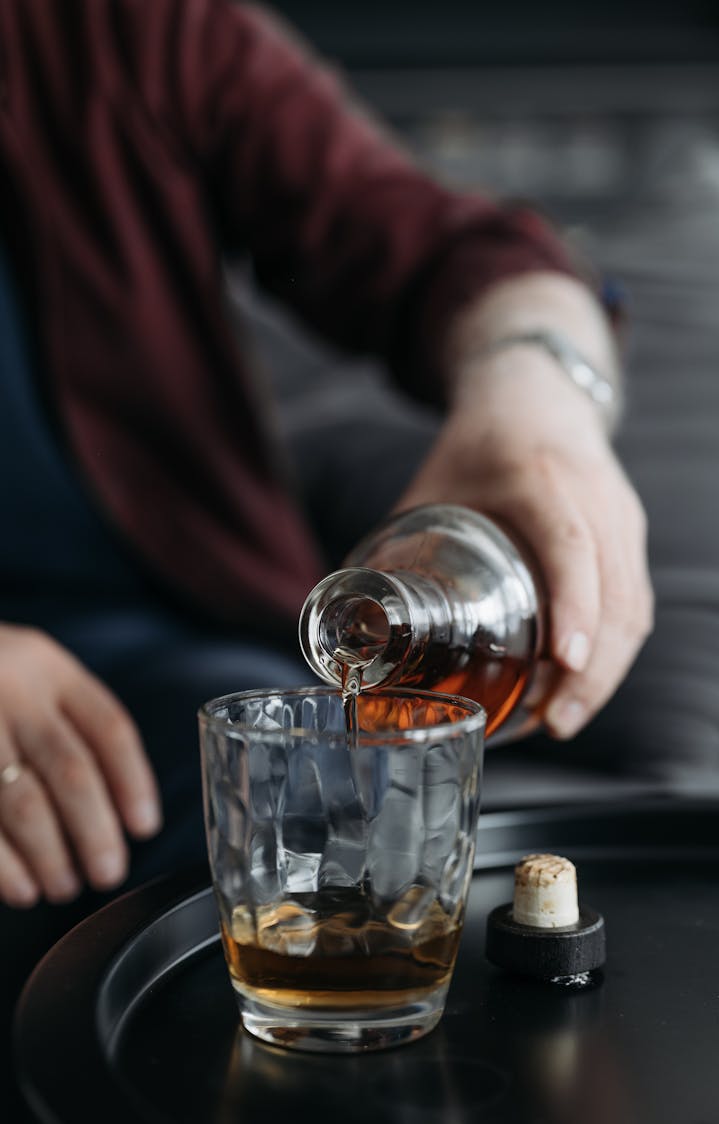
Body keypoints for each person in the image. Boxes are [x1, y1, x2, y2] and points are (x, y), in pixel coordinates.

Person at [0, 0, 651, 918]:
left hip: (182, 673)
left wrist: (539, 399)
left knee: (324, 827)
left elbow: (454, 249)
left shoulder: (122, 32)